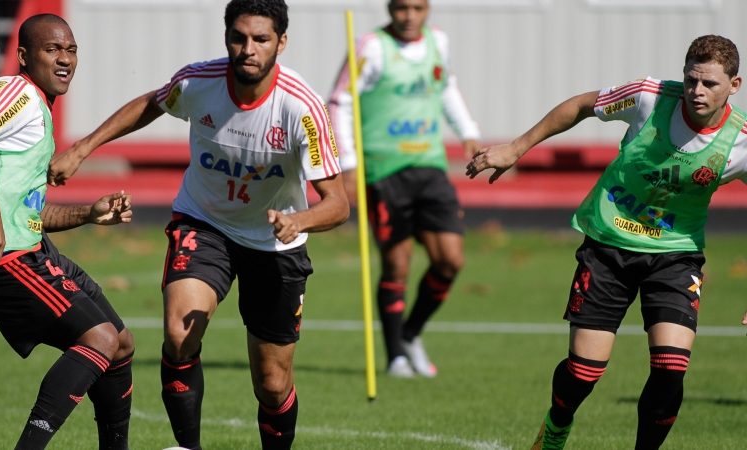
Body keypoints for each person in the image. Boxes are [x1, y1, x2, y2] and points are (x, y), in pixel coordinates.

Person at [48, 1, 349, 448]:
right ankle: (188, 447)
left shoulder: (301, 108)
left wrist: (297, 220)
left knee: (272, 383)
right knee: (178, 333)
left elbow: (338, 204)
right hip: (204, 223)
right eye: (238, 37)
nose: (248, 49)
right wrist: (83, 147)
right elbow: (151, 103)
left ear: (281, 43)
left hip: (275, 243)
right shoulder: (197, 82)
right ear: (226, 35)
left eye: (261, 39)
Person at [466, 34, 747, 449]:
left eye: (709, 84)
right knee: (584, 372)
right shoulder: (648, 97)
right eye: (690, 80)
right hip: (609, 244)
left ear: (734, 85)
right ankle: (557, 426)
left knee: (671, 367)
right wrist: (516, 148)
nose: (696, 91)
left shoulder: (740, 141)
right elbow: (580, 106)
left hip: (675, 256)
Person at [0, 14, 135, 450]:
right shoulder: (15, 91)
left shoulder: (37, 110)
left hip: (26, 246)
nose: (64, 59)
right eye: (52, 50)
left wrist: (88, 213)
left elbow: (29, 214)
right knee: (99, 338)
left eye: (71, 50)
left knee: (119, 342)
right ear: (25, 56)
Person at [327, 0, 481, 378]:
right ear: (389, 8)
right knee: (397, 263)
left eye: (417, 7)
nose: (409, 16)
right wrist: (348, 164)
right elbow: (340, 101)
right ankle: (396, 355)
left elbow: (446, 88)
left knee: (450, 259)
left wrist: (469, 133)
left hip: (429, 165)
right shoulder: (370, 46)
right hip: (384, 170)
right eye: (400, 8)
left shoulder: (437, 43)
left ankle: (411, 333)